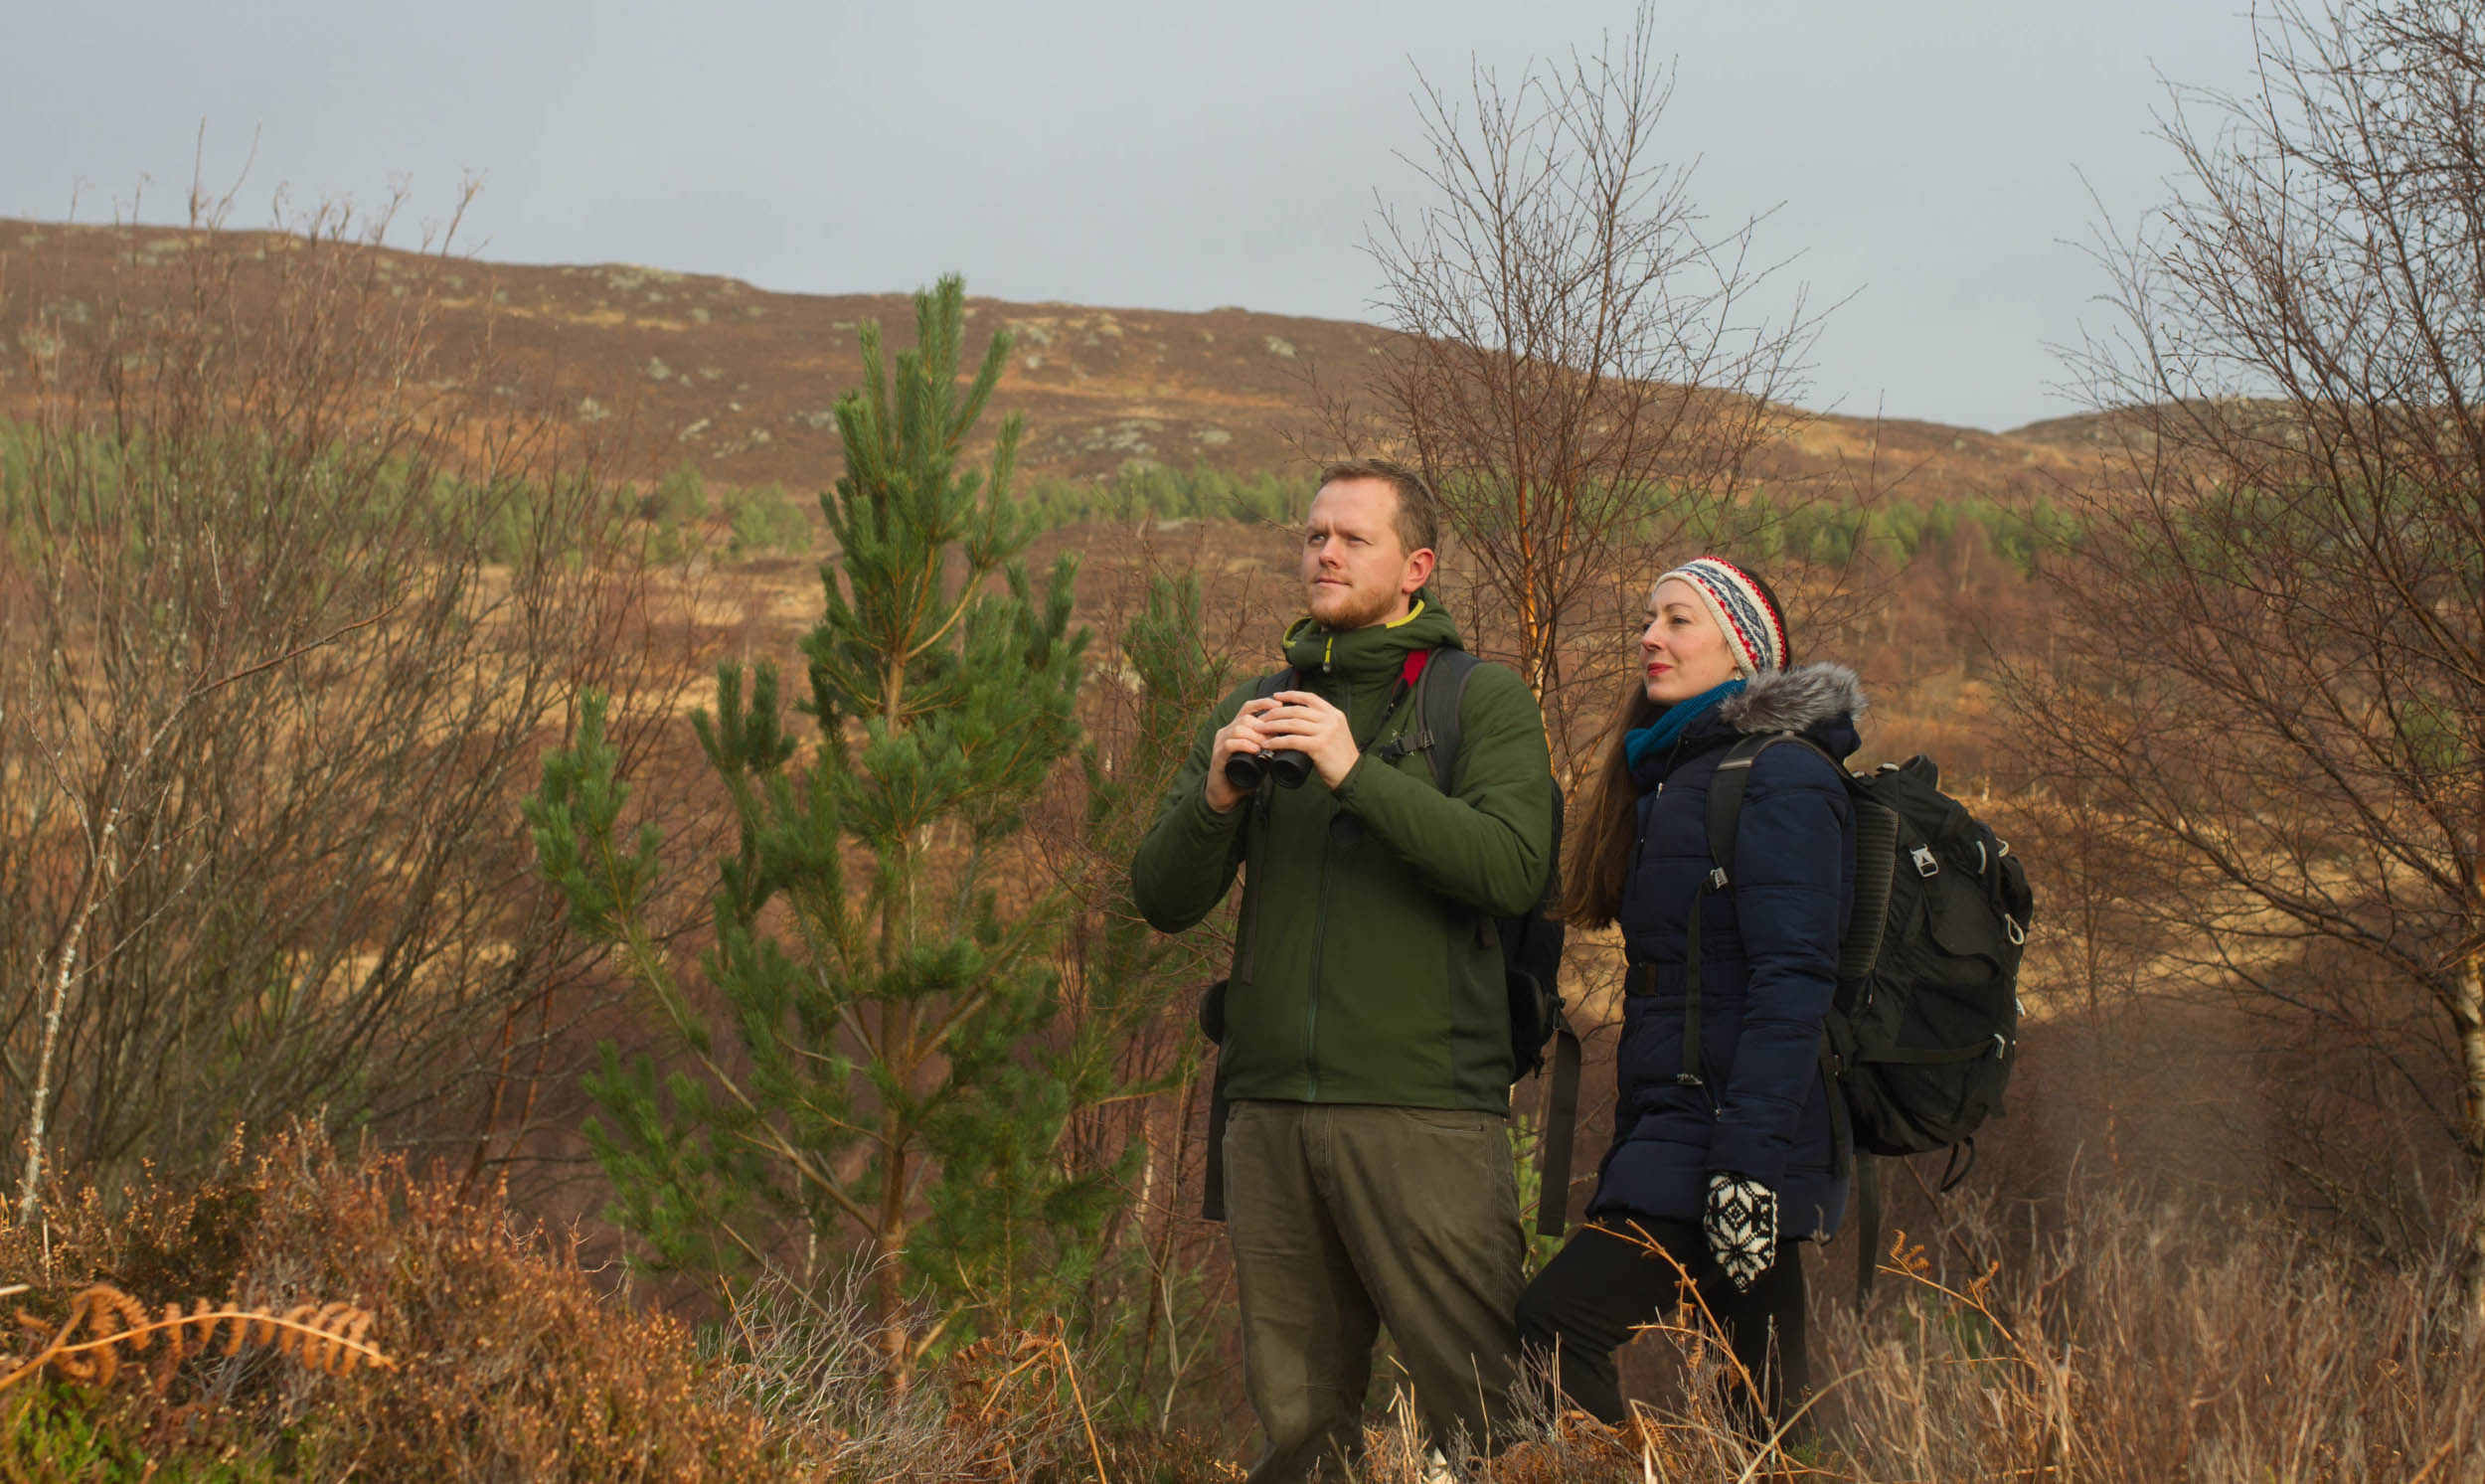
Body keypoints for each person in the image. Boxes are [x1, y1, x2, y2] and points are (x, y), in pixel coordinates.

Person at [1131, 459, 1556, 1481]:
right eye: (1313, 533)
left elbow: (1510, 866)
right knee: (1298, 1423)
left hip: (1422, 1106)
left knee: (1486, 1405)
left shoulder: (1479, 699)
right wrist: (1218, 796)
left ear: (1415, 566)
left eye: (1351, 538)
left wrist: (1356, 770)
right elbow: (1160, 894)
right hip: (1269, 1106)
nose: (1323, 550)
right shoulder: (1258, 700)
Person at [1514, 556, 1861, 1436]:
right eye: (1649, 617)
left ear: (1744, 652)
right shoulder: (1676, 775)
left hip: (1731, 1144)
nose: (1649, 636)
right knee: (1763, 1413)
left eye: (1677, 620)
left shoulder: (1783, 775)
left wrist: (1746, 1166)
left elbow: (1795, 981)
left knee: (1552, 1330)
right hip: (1685, 1132)